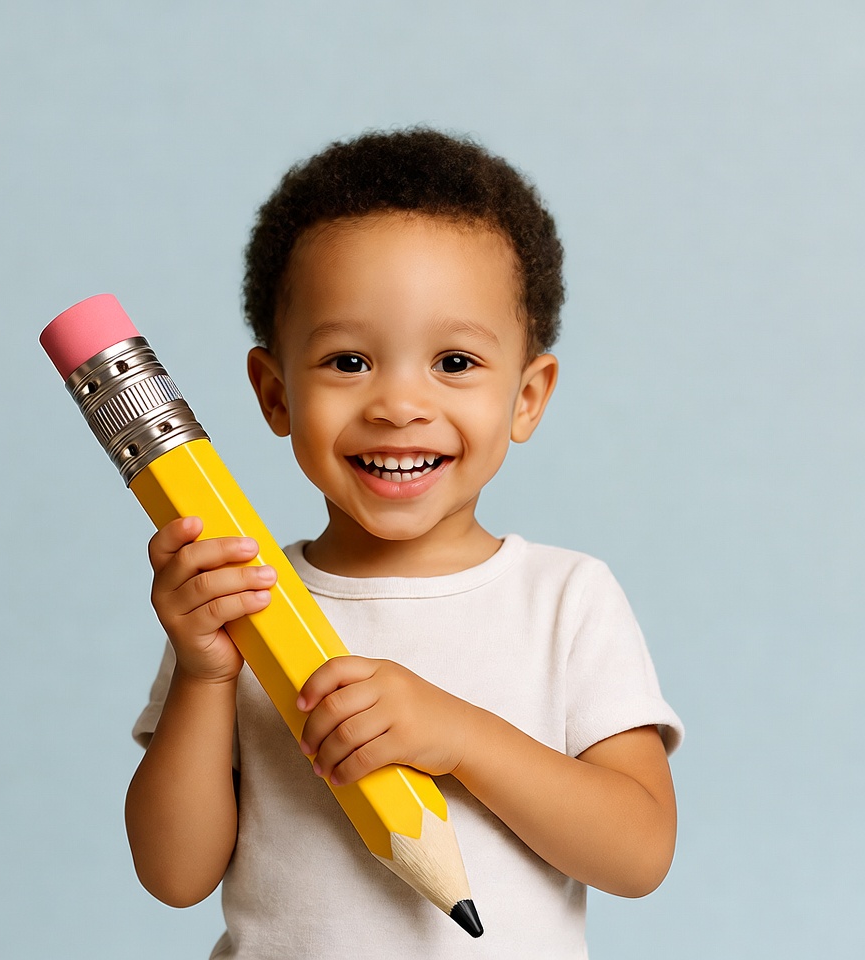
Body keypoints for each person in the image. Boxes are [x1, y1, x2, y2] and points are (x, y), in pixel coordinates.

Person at [125, 128, 683, 959]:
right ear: (275, 395)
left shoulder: (566, 599)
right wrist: (205, 673)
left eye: (454, 361)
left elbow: (639, 854)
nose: (398, 404)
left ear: (527, 398)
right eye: (348, 361)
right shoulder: (241, 597)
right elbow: (173, 876)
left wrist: (461, 735)